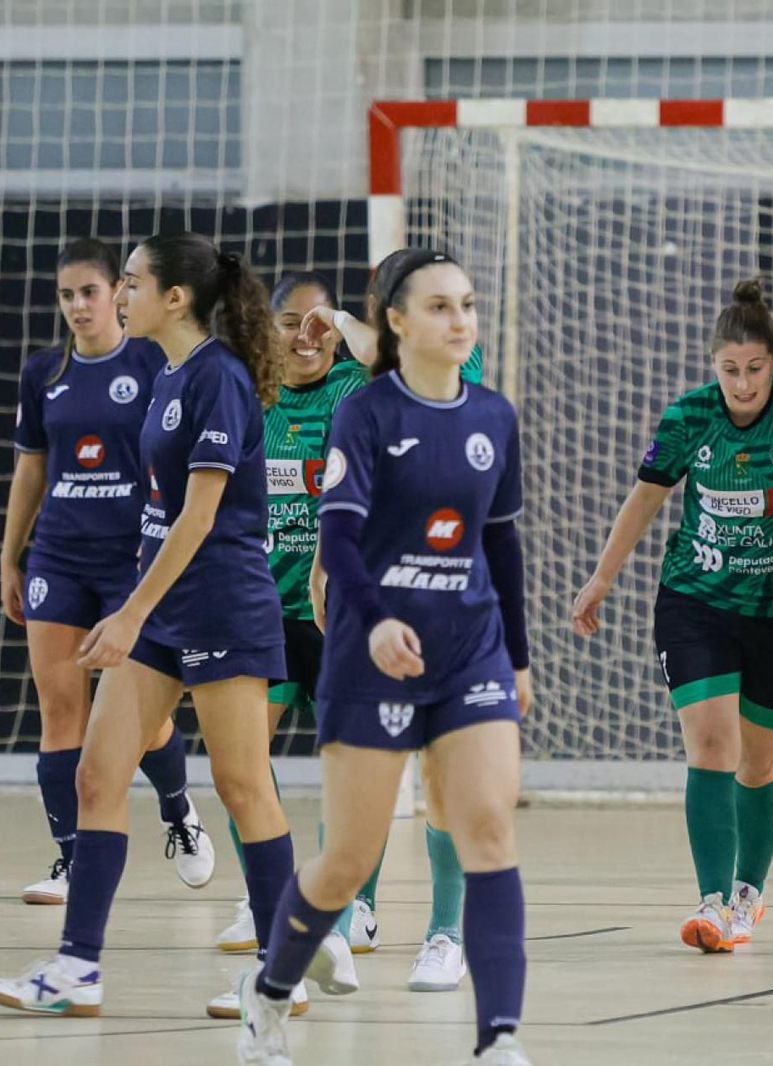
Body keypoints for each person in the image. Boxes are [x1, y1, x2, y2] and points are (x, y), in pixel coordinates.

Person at [0, 233, 297, 1018]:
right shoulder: (169, 373)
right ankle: (75, 969)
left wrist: (129, 611)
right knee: (96, 774)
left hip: (219, 598)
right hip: (163, 608)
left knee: (243, 786)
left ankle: (278, 976)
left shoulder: (215, 377)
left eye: (130, 281)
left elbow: (198, 517)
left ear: (174, 298)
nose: (118, 293)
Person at [236, 249, 533, 1066]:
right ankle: (266, 995)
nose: (459, 320)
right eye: (438, 306)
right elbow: (339, 538)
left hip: (469, 651)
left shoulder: (493, 417)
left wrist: (519, 655)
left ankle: (499, 1037)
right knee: (346, 862)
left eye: (466, 304)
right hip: (374, 657)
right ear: (396, 323)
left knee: (488, 830)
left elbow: (500, 545)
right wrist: (368, 623)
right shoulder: (364, 414)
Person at [573, 280, 773, 953]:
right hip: (695, 601)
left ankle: (747, 897)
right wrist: (602, 576)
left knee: (760, 764)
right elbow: (645, 498)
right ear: (714, 366)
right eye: (729, 370)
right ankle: (710, 901)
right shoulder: (689, 416)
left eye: (755, 369)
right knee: (711, 745)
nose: (742, 384)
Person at [2, 238, 211, 905]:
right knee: (61, 708)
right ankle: (69, 861)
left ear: (119, 293)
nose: (78, 306)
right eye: (66, 295)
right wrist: (11, 555)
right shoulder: (44, 373)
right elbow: (31, 467)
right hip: (59, 559)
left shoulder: (153, 362)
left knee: (141, 719)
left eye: (89, 291)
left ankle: (177, 808)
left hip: (133, 561)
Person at [294, 252, 479, 993]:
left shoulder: (457, 380)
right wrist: (320, 569)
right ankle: (343, 923)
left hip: (444, 602)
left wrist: (338, 318)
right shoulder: (356, 405)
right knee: (355, 774)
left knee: (440, 779)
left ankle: (445, 935)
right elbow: (339, 505)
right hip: (370, 604)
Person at [211, 273, 366, 1001]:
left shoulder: (350, 393)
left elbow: (384, 362)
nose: (304, 337)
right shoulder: (249, 400)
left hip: (337, 613)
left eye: (317, 325)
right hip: (263, 612)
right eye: (289, 323)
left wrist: (336, 320)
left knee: (351, 762)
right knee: (244, 756)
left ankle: (353, 903)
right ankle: (265, 889)